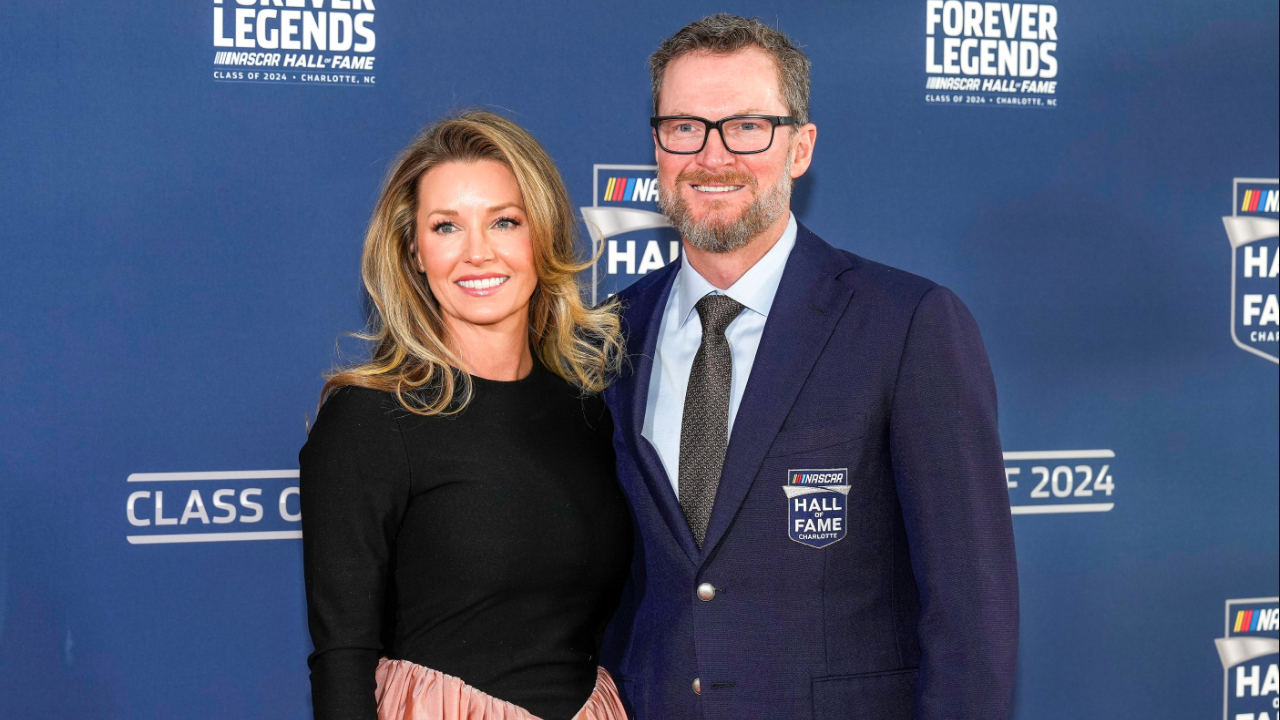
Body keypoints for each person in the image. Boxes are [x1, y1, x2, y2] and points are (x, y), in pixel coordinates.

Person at [598, 15, 1019, 720]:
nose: (713, 154)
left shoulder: (907, 324)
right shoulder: (608, 335)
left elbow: (970, 614)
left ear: (800, 147)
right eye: (685, 127)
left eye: (747, 127)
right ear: (657, 146)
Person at [299, 111, 632, 720]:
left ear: (544, 237)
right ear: (415, 252)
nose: (477, 253)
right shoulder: (371, 418)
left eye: (504, 221)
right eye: (446, 226)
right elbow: (342, 655)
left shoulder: (586, 411)